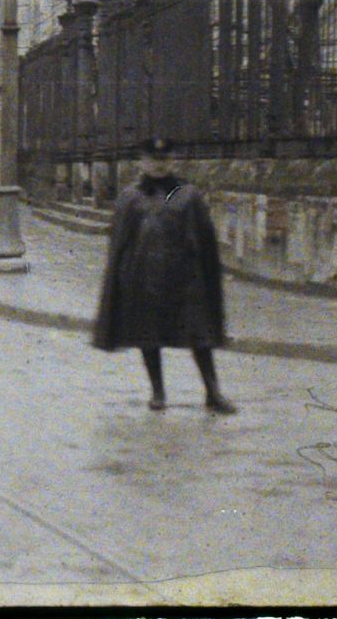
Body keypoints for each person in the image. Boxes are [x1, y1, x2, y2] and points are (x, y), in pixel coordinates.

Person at [91, 136, 235, 413]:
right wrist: (121, 278)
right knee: (149, 336)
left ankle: (213, 392)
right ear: (142, 162)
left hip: (186, 281)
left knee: (199, 335)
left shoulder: (188, 195)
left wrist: (208, 275)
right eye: (152, 159)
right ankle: (158, 392)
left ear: (173, 161)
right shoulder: (130, 197)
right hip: (144, 279)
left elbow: (206, 241)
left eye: (164, 159)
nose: (158, 165)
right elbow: (119, 242)